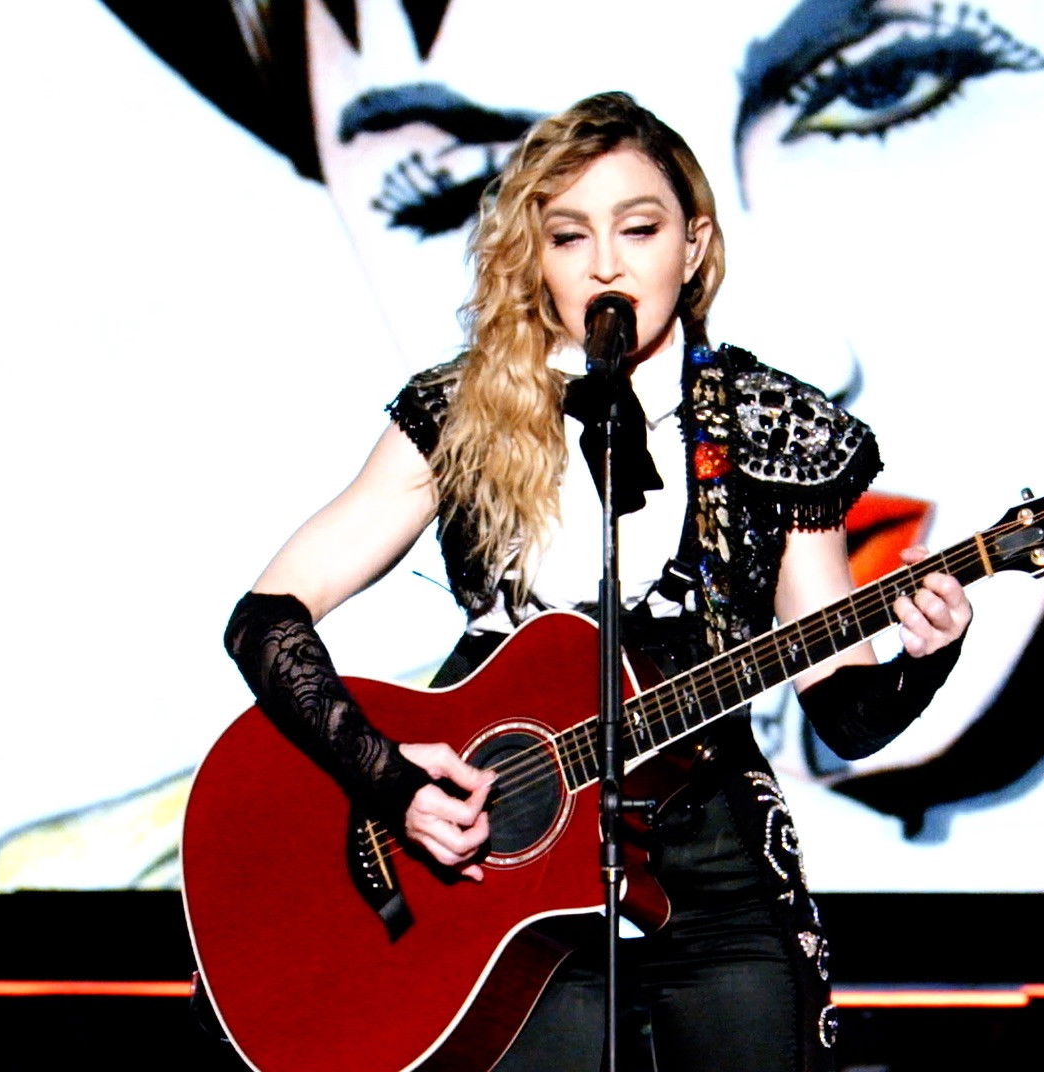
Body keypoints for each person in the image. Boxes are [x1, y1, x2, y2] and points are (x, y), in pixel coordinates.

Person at [222, 91, 970, 1070]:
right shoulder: (463, 412)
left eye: (639, 229)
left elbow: (844, 714)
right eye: (569, 235)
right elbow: (267, 619)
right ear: (536, 258)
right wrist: (390, 781)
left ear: (694, 246)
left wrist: (928, 651)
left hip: (710, 858)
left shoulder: (776, 426)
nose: (605, 264)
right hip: (496, 861)